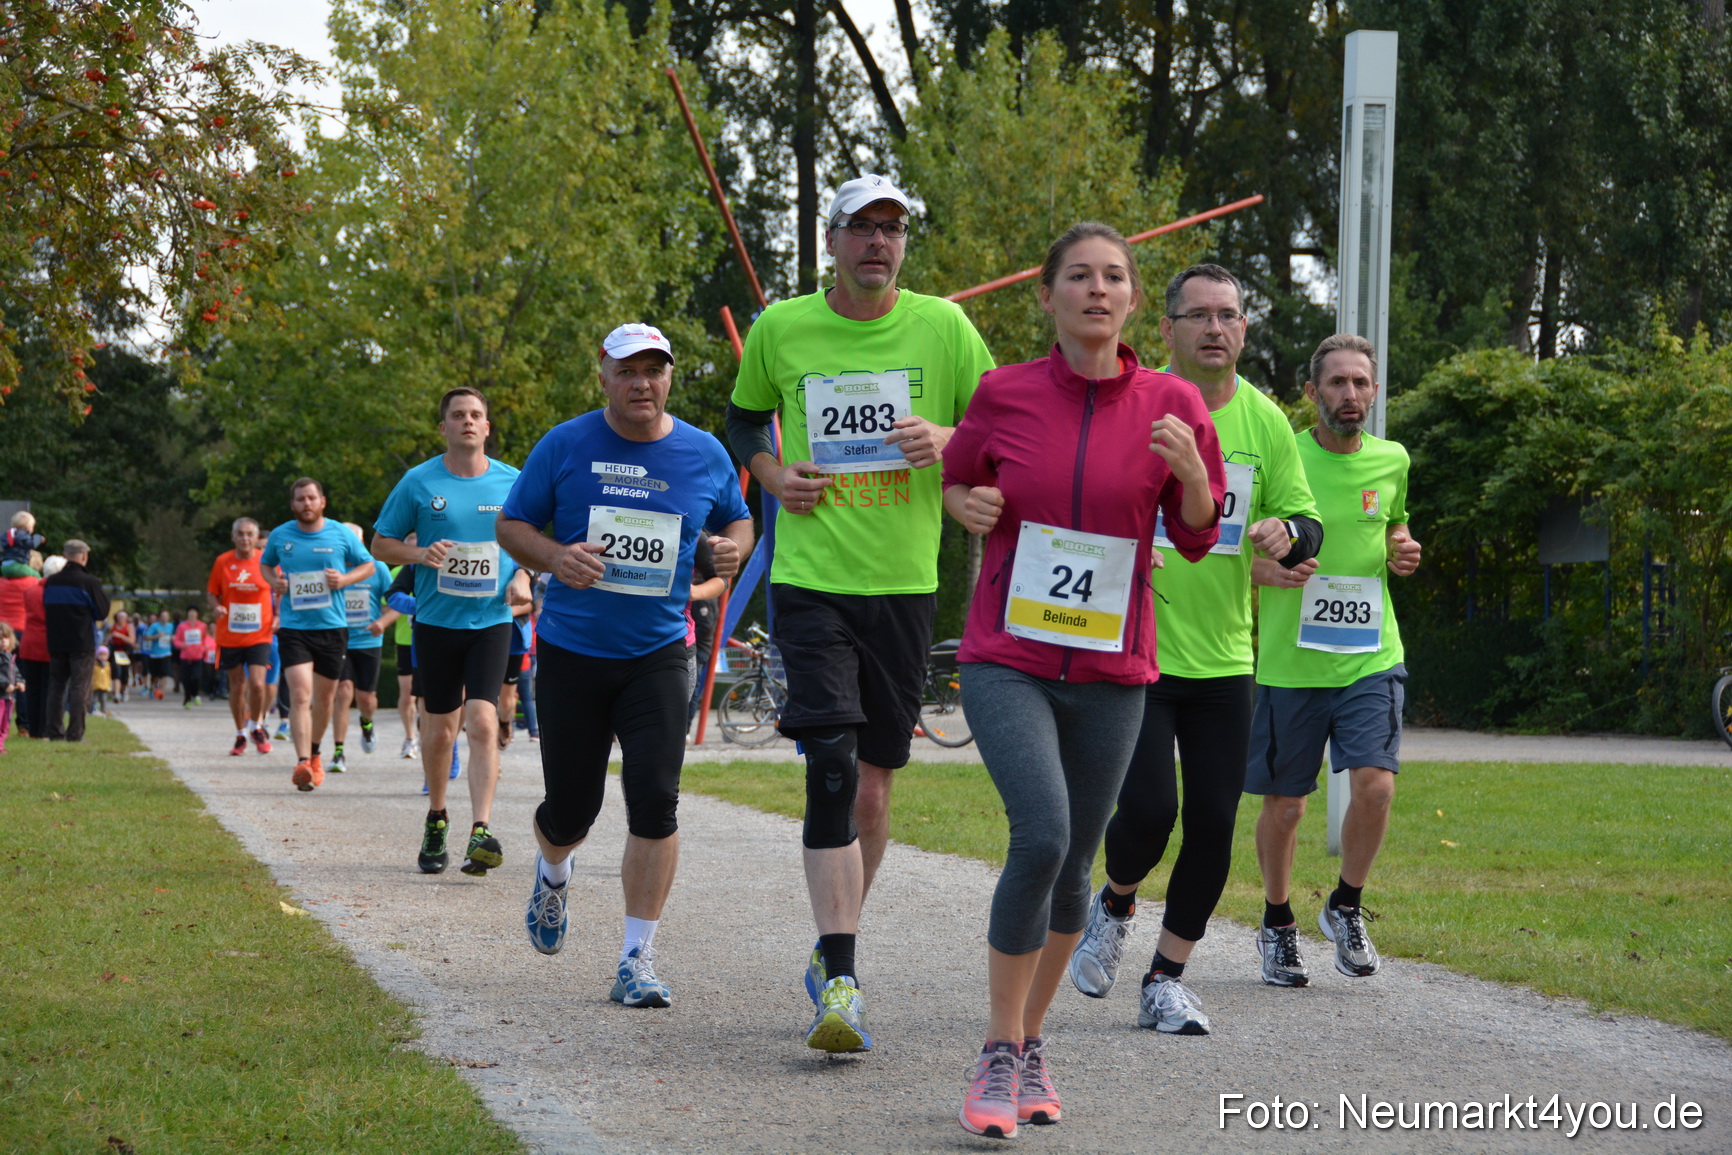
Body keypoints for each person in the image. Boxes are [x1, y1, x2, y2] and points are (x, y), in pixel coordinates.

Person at [940, 222, 1225, 1137]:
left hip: (1114, 667)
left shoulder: (1174, 400)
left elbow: (1195, 531)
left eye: (1113, 277)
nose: (1096, 290)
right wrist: (969, 504)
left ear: (1134, 299)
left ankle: (1029, 1041)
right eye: (1078, 277)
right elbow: (957, 479)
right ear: (1049, 296)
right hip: (1007, 656)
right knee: (1044, 833)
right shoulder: (1004, 392)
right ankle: (993, 1050)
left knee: (1075, 869)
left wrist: (1189, 477)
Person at [724, 174, 995, 1052]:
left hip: (907, 583)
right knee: (831, 760)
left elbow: (1003, 428)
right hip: (811, 578)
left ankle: (832, 941)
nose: (880, 242)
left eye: (894, 228)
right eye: (863, 228)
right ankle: (841, 976)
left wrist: (948, 440)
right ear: (831, 240)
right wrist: (770, 477)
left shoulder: (945, 327)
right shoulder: (783, 328)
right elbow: (742, 420)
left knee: (877, 784)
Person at [1068, 264, 1324, 1035]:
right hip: (1139, 650)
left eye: (1231, 315)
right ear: (1168, 327)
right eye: (1200, 315)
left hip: (1223, 659)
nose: (1217, 328)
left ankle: (1166, 977)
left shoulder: (1266, 423)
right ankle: (1113, 900)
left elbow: (1306, 519)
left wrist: (1289, 532)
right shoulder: (1131, 404)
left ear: (1245, 329)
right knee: (1148, 809)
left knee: (1213, 823)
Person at [499, 322, 752, 1009]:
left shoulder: (702, 452)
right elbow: (512, 525)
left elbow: (738, 520)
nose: (642, 382)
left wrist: (729, 551)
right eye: (628, 370)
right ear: (603, 375)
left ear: (671, 377)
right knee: (573, 808)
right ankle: (554, 872)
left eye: (654, 369)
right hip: (574, 652)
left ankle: (636, 957)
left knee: (655, 800)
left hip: (660, 652)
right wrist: (554, 557)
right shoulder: (566, 443)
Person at [1247, 333, 1422, 986]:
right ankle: (1276, 921)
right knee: (1286, 806)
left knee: (1376, 784)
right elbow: (1234, 547)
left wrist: (1403, 546)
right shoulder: (1282, 452)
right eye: (1337, 383)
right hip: (1292, 662)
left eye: (1361, 384)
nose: (1350, 395)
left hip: (1371, 654)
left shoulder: (1392, 458)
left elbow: (1394, 524)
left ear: (1375, 392)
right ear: (1312, 390)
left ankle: (1345, 904)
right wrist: (1267, 572)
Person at [373, 388, 530, 874]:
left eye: (476, 415)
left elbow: (534, 542)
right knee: (440, 733)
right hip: (437, 623)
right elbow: (381, 543)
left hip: (492, 621)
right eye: (458, 415)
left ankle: (480, 831)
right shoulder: (418, 482)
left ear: (487, 428)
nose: (467, 421)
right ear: (443, 427)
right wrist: (420, 555)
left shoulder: (513, 482)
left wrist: (525, 575)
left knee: (483, 722)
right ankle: (437, 815)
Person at [260, 478, 377, 791]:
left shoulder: (339, 533)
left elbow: (368, 566)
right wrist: (275, 582)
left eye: (311, 498)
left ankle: (314, 754)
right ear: (293, 504)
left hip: (332, 627)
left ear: (322, 501)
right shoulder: (281, 535)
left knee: (324, 699)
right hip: (294, 628)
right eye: (300, 499)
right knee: (300, 694)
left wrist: (344, 578)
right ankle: (301, 761)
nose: (306, 504)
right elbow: (266, 565)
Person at [208, 518, 276, 753]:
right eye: (241, 534)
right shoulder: (223, 562)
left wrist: (279, 616)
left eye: (250, 534)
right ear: (233, 536)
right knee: (237, 686)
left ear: (256, 538)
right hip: (230, 635)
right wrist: (216, 607)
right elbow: (212, 593)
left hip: (260, 633)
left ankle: (256, 726)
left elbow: (281, 591)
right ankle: (240, 734)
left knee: (258, 684)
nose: (245, 539)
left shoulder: (267, 561)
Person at [329, 522, 394, 772]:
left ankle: (367, 723)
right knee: (343, 691)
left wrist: (382, 621)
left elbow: (395, 602)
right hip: (338, 640)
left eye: (354, 542)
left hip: (368, 640)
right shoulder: (332, 567)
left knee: (366, 698)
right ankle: (338, 752)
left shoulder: (377, 568)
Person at [43, 539, 111, 741]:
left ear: (65, 555)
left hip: (56, 640)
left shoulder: (51, 581)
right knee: (79, 687)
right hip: (82, 642)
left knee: (56, 687)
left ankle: (54, 731)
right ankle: (75, 733)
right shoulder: (89, 582)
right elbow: (102, 612)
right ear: (84, 557)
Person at [383, 557, 420, 759]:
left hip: (430, 636)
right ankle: (410, 737)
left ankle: (428, 736)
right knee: (407, 695)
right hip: (406, 640)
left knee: (428, 698)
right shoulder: (398, 571)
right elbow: (388, 604)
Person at [173, 607, 210, 708]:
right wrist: (181, 645)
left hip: (198, 656)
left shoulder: (202, 626)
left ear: (197, 614)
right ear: (188, 614)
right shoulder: (182, 626)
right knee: (186, 679)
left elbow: (205, 638)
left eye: (194, 612)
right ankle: (187, 698)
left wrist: (204, 648)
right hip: (185, 656)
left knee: (196, 677)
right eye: (190, 612)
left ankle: (195, 694)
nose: (192, 614)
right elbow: (176, 640)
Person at [1, 511, 45, 578]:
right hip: (17, 565)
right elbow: (31, 544)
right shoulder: (23, 534)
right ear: (28, 527)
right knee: (36, 575)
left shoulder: (8, 535)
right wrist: (38, 538)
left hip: (4, 565)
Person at [144, 609, 175, 699]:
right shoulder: (154, 626)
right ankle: (154, 688)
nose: (164, 618)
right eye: (163, 616)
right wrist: (157, 636)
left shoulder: (171, 626)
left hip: (166, 653)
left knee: (165, 673)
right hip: (155, 653)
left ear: (168, 617)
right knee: (155, 675)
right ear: (160, 617)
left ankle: (161, 691)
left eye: (166, 616)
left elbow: (176, 636)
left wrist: (173, 638)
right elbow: (146, 637)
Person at [0, 622, 21, 750]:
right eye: (0, 639)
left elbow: (15, 672)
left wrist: (20, 681)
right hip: (1, 697)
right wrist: (5, 684)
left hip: (9, 698)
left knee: (5, 723)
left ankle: (1, 743)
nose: (3, 641)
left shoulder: (9, 657)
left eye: (5, 638)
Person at [107, 610, 135, 702]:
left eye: (123, 617)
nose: (121, 619)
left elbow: (131, 641)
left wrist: (120, 636)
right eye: (120, 617)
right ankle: (116, 694)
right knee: (116, 672)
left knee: (125, 673)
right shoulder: (113, 626)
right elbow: (107, 638)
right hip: (115, 651)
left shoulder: (129, 627)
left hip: (125, 652)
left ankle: (124, 690)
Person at [91, 645, 113, 717]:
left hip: (104, 686)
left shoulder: (108, 665)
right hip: (95, 685)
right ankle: (92, 709)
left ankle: (103, 710)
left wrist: (109, 685)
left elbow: (109, 675)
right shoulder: (94, 665)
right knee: (93, 699)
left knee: (103, 699)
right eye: (100, 654)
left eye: (104, 655)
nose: (102, 657)